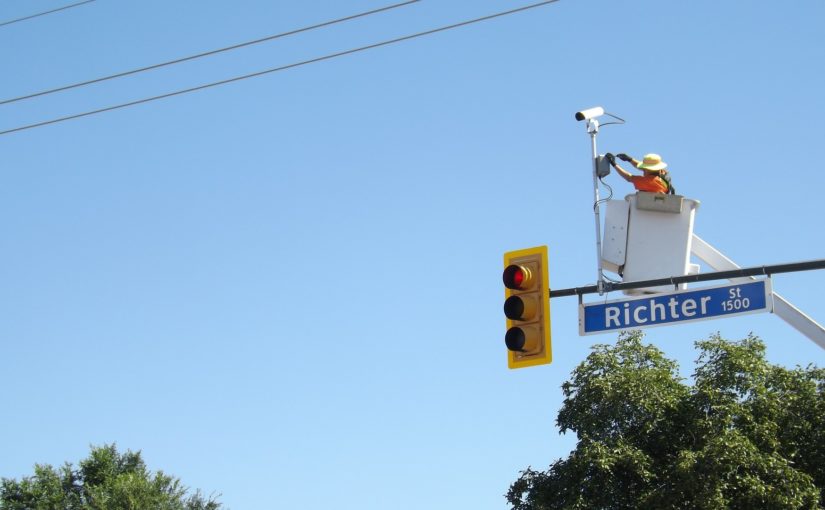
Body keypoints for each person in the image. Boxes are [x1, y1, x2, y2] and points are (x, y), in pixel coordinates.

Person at [606, 153, 674, 194]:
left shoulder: (648, 182)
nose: (643, 170)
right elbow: (648, 169)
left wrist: (614, 164)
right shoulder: (663, 173)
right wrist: (630, 159)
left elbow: (629, 177)